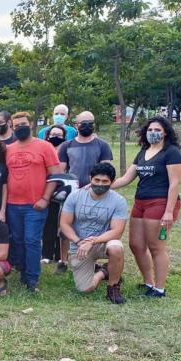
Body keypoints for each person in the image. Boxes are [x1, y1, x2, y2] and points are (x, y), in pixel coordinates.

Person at [112, 116, 181, 298]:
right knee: (136, 245)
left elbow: (174, 184)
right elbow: (126, 178)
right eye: (151, 130)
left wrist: (168, 212)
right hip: (140, 201)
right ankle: (148, 282)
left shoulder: (172, 152)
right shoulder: (143, 151)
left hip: (160, 202)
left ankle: (159, 289)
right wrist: (102, 185)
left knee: (156, 246)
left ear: (165, 132)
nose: (154, 133)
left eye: (158, 130)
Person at [5, 112, 61, 292]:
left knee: (32, 240)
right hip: (12, 204)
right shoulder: (9, 149)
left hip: (35, 205)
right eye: (16, 126)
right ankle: (22, 270)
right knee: (17, 240)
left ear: (30, 124)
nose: (19, 127)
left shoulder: (45, 147)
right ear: (12, 128)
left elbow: (55, 175)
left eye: (23, 124)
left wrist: (45, 198)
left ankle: (32, 279)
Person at [55, 110, 113, 273]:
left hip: (95, 193)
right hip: (71, 195)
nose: (86, 125)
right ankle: (63, 260)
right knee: (65, 227)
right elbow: (62, 170)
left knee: (90, 227)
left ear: (94, 124)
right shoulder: (67, 145)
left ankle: (90, 258)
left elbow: (106, 169)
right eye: (83, 122)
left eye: (90, 122)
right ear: (76, 125)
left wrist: (92, 186)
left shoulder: (102, 145)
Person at [61, 163, 127, 304]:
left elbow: (117, 231)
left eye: (105, 182)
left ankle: (113, 287)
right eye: (96, 180)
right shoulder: (75, 196)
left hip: (103, 242)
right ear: (90, 178)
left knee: (116, 247)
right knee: (85, 289)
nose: (99, 184)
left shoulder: (119, 201)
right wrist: (79, 242)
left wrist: (92, 241)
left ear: (112, 182)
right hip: (80, 245)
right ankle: (103, 272)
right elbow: (65, 224)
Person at [41, 124, 68, 267]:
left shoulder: (67, 150)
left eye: (59, 135)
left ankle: (60, 255)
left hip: (64, 191)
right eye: (53, 134)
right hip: (47, 190)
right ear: (48, 135)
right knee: (48, 223)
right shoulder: (44, 149)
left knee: (62, 224)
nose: (55, 137)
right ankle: (46, 254)